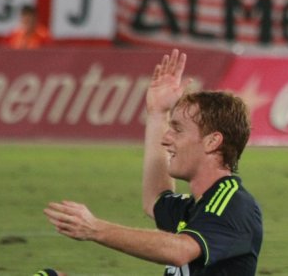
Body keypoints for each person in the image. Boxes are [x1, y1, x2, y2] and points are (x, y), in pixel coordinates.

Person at [44, 49, 263, 274]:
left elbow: (180, 250)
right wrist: (158, 113)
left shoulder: (233, 204)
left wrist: (95, 229)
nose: (166, 139)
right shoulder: (196, 206)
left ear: (212, 142)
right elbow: (155, 200)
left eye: (177, 129)